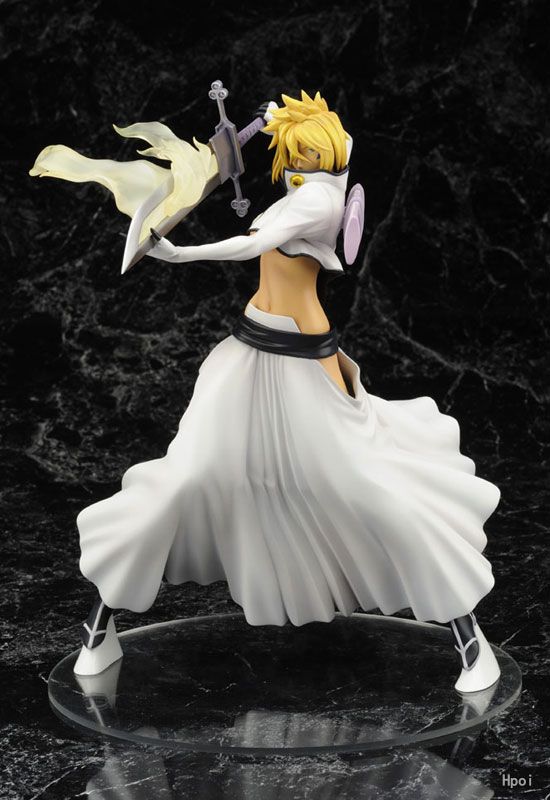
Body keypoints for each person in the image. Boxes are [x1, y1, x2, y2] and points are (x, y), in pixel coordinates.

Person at [69, 90, 501, 693]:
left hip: (301, 363)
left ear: (324, 154)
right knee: (182, 480)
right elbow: (328, 141)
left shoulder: (318, 200)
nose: (298, 159)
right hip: (247, 355)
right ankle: (98, 628)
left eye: (306, 152)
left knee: (367, 488)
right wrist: (270, 121)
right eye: (295, 152)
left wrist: (178, 252)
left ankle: (470, 639)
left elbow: (251, 245)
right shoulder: (311, 177)